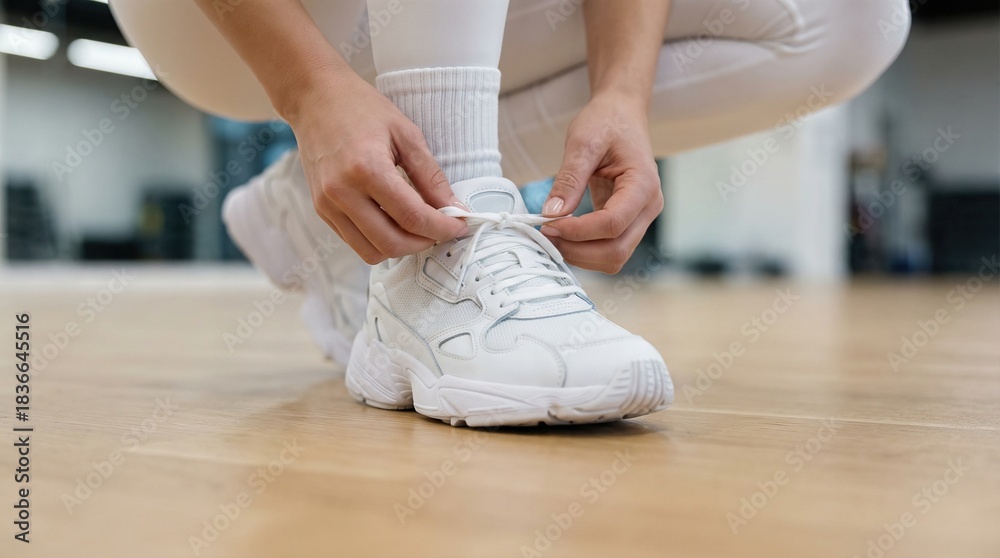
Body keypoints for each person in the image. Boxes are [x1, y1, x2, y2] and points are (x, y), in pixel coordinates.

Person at [110, 0, 909, 426]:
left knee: (848, 19)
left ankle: (385, 216)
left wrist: (622, 94)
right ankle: (439, 241)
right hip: (213, 20)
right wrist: (309, 90)